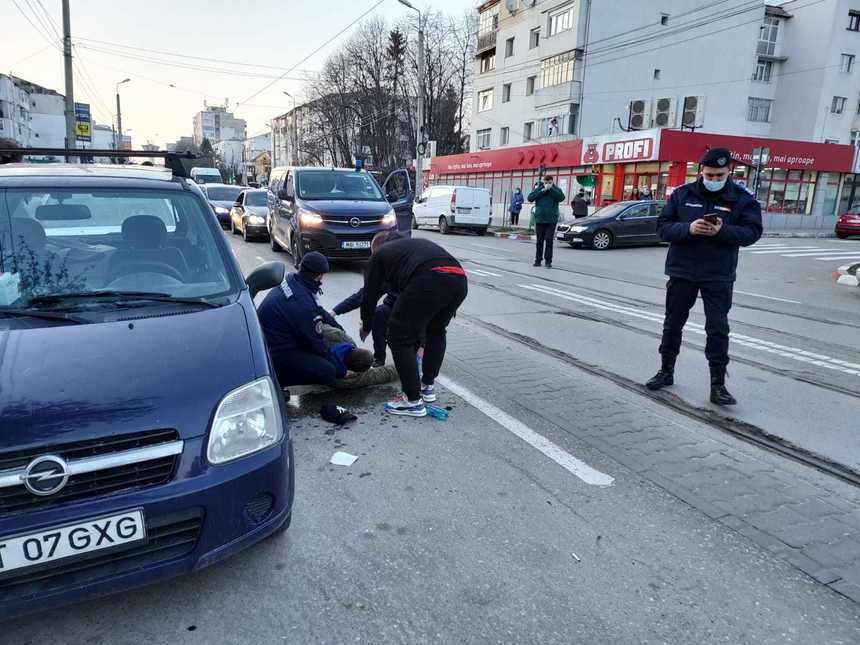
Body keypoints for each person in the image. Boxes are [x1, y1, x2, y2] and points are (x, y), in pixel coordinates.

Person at [646, 147, 763, 406]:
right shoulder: (682, 194)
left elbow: (752, 233)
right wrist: (688, 228)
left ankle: (718, 385)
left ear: (729, 171)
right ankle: (666, 371)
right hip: (682, 270)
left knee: (718, 329)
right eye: (709, 174)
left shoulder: (742, 199)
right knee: (672, 323)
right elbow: (662, 228)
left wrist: (722, 231)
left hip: (718, 274)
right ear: (701, 171)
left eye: (719, 175)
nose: (713, 179)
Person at [360, 237, 468, 417]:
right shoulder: (408, 250)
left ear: (376, 249)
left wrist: (366, 324)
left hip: (429, 278)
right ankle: (427, 387)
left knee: (398, 337)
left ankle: (412, 401)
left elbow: (369, 294)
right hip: (459, 279)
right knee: (436, 330)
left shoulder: (378, 256)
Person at [257, 251, 373, 388]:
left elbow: (319, 310)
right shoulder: (301, 304)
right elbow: (317, 345)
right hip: (275, 353)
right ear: (319, 275)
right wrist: (341, 371)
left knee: (325, 346)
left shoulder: (292, 281)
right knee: (328, 370)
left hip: (269, 340)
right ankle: (277, 382)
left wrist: (340, 330)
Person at [333, 231, 402, 366]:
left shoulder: (405, 264)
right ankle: (379, 359)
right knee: (379, 313)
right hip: (397, 304)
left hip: (416, 305)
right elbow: (364, 296)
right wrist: (335, 311)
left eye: (376, 255)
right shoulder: (387, 266)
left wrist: (422, 344)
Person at [527, 175, 565, 268]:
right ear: (543, 182)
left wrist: (551, 189)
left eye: (549, 183)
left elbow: (561, 198)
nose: (547, 184)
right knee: (539, 241)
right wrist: (542, 191)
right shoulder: (539, 189)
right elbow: (530, 198)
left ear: (552, 182)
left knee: (549, 240)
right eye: (546, 183)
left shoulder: (556, 189)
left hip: (551, 220)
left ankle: (548, 261)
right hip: (540, 219)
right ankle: (538, 260)